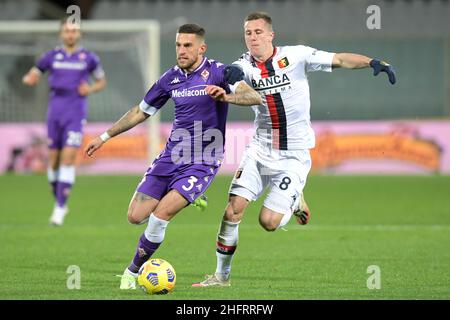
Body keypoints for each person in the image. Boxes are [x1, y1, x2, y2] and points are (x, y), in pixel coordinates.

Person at [193, 11, 396, 287]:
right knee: (232, 210)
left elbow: (339, 59)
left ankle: (295, 200)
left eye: (258, 32)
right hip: (260, 151)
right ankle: (221, 277)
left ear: (270, 34)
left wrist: (372, 61)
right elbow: (241, 85)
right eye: (248, 33)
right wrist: (230, 85)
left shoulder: (297, 56)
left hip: (293, 156)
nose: (253, 37)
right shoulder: (242, 65)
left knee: (268, 222)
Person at [84, 23, 261, 289]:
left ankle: (131, 273)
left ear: (202, 48)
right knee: (135, 216)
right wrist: (104, 137)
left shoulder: (220, 72)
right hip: (171, 157)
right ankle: (190, 196)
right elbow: (140, 111)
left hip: (202, 161)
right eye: (178, 45)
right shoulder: (170, 79)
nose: (181, 50)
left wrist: (227, 97)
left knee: (161, 215)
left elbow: (253, 96)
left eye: (187, 45)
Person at [22, 18, 106, 226]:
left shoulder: (89, 58)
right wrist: (30, 77)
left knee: (68, 159)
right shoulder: (52, 56)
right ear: (61, 34)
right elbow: (35, 71)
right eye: (67, 31)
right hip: (54, 114)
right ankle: (60, 200)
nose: (70, 34)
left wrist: (90, 89)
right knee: (53, 161)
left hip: (75, 114)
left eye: (74, 31)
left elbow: (101, 81)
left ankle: (59, 209)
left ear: (79, 34)